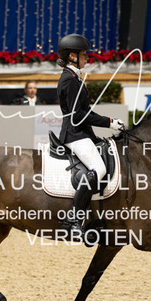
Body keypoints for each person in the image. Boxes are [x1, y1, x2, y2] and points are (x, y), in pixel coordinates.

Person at [56, 33, 125, 245]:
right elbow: (78, 115)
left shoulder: (75, 77)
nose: (87, 58)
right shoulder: (69, 80)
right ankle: (72, 219)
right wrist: (109, 122)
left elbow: (85, 111)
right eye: (84, 54)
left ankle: (95, 217)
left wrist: (108, 124)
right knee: (99, 169)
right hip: (74, 134)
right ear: (72, 56)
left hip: (83, 133)